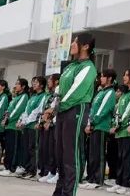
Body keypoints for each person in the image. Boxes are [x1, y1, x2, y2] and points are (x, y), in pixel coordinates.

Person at [53, 34, 98, 196]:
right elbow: (60, 89)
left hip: (76, 111)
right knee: (60, 154)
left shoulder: (88, 67)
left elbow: (76, 92)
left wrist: (58, 107)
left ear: (85, 46)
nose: (72, 44)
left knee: (71, 155)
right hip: (63, 111)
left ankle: (69, 192)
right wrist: (53, 106)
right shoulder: (70, 66)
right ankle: (60, 190)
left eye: (75, 42)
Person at [83, 68, 117, 189]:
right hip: (93, 126)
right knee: (92, 154)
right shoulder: (101, 92)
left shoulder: (110, 92)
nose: (100, 78)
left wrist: (92, 123)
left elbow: (104, 110)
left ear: (110, 79)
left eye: (103, 76)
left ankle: (98, 179)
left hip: (101, 126)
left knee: (99, 154)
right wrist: (89, 123)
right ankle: (91, 178)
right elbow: (92, 109)